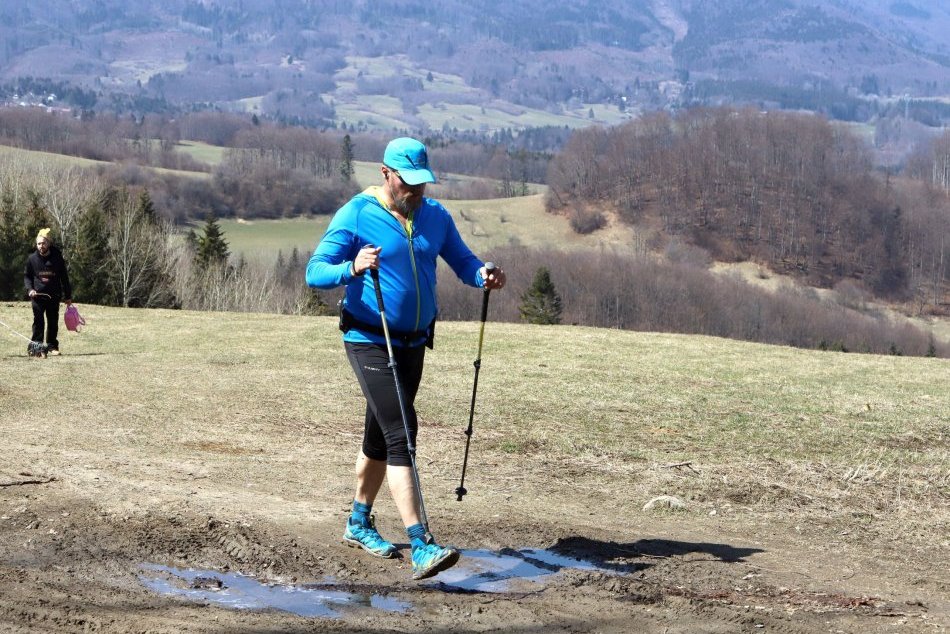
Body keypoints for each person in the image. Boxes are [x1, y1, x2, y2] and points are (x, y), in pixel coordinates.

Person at [306, 137, 506, 580]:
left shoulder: (434, 216)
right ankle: (421, 543)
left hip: (415, 343)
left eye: (422, 183)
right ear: (385, 174)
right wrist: (352, 267)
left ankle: (358, 522)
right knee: (403, 431)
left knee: (380, 436)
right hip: (369, 338)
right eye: (408, 183)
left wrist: (483, 275)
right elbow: (314, 271)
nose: (417, 192)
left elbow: (462, 260)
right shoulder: (357, 213)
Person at [24, 228, 73, 357]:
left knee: (53, 322)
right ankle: (36, 347)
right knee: (38, 322)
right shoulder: (32, 259)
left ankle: (52, 346)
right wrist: (30, 289)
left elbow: (64, 276)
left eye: (44, 243)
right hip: (37, 297)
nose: (41, 246)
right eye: (39, 243)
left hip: (54, 295)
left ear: (49, 243)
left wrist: (67, 296)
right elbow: (27, 277)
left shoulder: (57, 256)